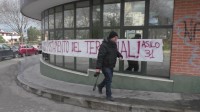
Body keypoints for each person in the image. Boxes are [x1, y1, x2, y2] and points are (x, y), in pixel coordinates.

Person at [95, 31, 123, 101]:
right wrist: (98, 68)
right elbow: (100, 57)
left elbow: (115, 51)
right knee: (109, 79)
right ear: (111, 37)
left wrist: (119, 55)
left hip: (111, 65)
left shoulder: (114, 44)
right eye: (115, 37)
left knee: (108, 78)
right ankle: (109, 95)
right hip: (105, 65)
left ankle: (100, 86)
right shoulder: (104, 45)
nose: (116, 39)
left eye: (117, 38)